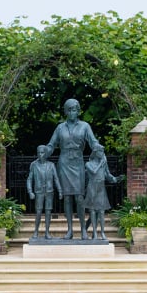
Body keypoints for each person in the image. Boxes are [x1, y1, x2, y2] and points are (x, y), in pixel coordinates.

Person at [47, 98, 101, 239]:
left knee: (79, 197)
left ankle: (83, 229)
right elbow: (51, 144)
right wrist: (44, 151)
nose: (72, 112)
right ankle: (70, 230)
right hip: (64, 163)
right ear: (66, 111)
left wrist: (98, 148)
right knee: (67, 198)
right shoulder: (60, 127)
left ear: (78, 111)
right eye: (69, 110)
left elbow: (93, 141)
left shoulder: (85, 126)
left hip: (77, 163)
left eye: (75, 109)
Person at [82, 144, 122, 240]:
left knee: (101, 211)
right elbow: (94, 171)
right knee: (92, 211)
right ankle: (94, 233)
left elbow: (107, 174)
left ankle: (103, 233)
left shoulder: (103, 164)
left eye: (103, 152)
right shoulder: (88, 164)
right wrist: (101, 164)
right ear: (95, 152)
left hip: (101, 188)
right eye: (100, 151)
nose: (102, 153)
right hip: (92, 187)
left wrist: (115, 179)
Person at [27, 144, 61, 239]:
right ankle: (36, 231)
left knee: (48, 212)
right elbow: (29, 179)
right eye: (38, 153)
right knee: (38, 212)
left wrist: (60, 190)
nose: (40, 155)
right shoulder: (34, 165)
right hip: (39, 191)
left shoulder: (51, 165)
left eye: (42, 153)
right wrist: (30, 191)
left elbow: (56, 179)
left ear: (46, 154)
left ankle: (47, 232)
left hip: (49, 191)